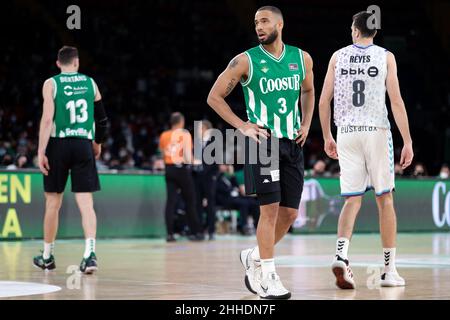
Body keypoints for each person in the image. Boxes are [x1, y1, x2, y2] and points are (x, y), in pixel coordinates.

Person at [207, 6, 314, 299]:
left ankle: (253, 255)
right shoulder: (245, 61)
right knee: (268, 212)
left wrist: (306, 122)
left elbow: (308, 91)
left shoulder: (301, 58)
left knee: (289, 214)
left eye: (264, 21)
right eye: (256, 22)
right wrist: (242, 126)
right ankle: (268, 276)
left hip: (293, 143)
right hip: (262, 143)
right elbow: (214, 97)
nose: (259, 26)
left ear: (280, 23)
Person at [319, 11, 414, 289]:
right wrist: (407, 140)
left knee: (352, 199)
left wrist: (327, 135)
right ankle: (388, 270)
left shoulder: (338, 56)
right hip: (376, 131)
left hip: (346, 132)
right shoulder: (386, 56)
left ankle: (341, 255)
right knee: (385, 199)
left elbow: (324, 101)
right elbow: (396, 101)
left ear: (356, 30)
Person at [33, 46, 108, 274]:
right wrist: (97, 143)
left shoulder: (51, 83)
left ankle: (47, 256)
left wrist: (41, 151)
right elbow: (102, 120)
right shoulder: (90, 83)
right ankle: (90, 255)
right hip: (83, 144)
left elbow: (47, 120)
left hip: (59, 144)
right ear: (77, 63)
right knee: (86, 204)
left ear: (58, 63)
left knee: (53, 203)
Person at [159, 112, 203, 242]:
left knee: (170, 202)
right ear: (181, 122)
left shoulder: (164, 135)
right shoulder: (184, 134)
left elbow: (163, 152)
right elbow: (188, 157)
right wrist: (195, 161)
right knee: (190, 201)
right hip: (182, 170)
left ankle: (170, 234)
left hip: (169, 169)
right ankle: (195, 232)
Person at [192, 120, 219, 240]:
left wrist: (212, 174)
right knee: (197, 204)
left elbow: (216, 161)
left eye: (201, 128)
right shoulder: (197, 142)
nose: (198, 131)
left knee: (210, 205)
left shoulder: (214, 141)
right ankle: (199, 231)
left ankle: (211, 230)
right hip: (197, 177)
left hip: (209, 178)